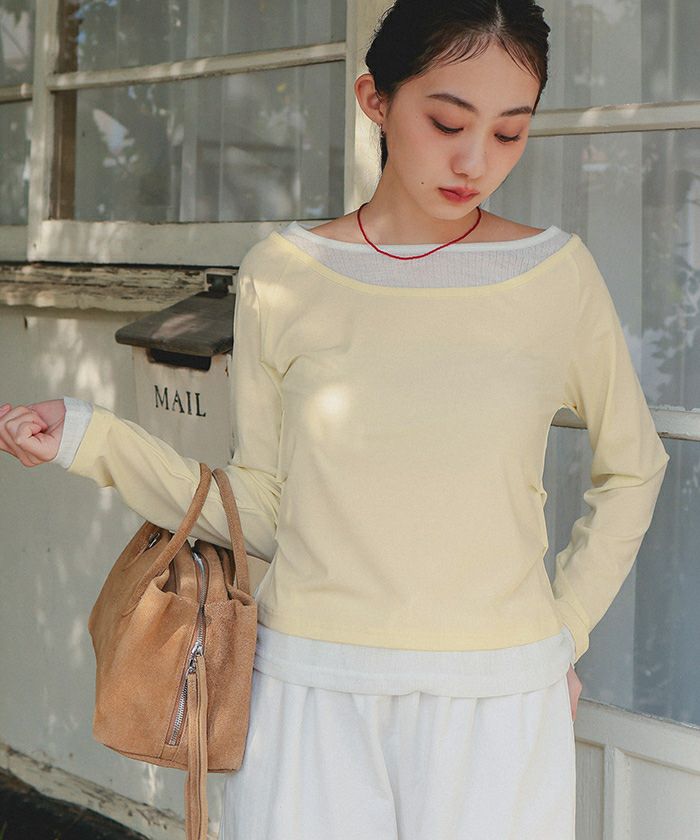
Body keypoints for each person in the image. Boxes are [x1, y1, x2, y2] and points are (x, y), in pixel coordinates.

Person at [0, 1, 670, 838]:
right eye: (447, 121)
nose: (476, 160)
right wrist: (88, 437)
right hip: (310, 690)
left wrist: (561, 633)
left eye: (510, 132)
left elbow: (633, 467)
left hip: (497, 700)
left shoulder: (556, 277)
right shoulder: (283, 275)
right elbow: (262, 503)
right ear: (375, 99)